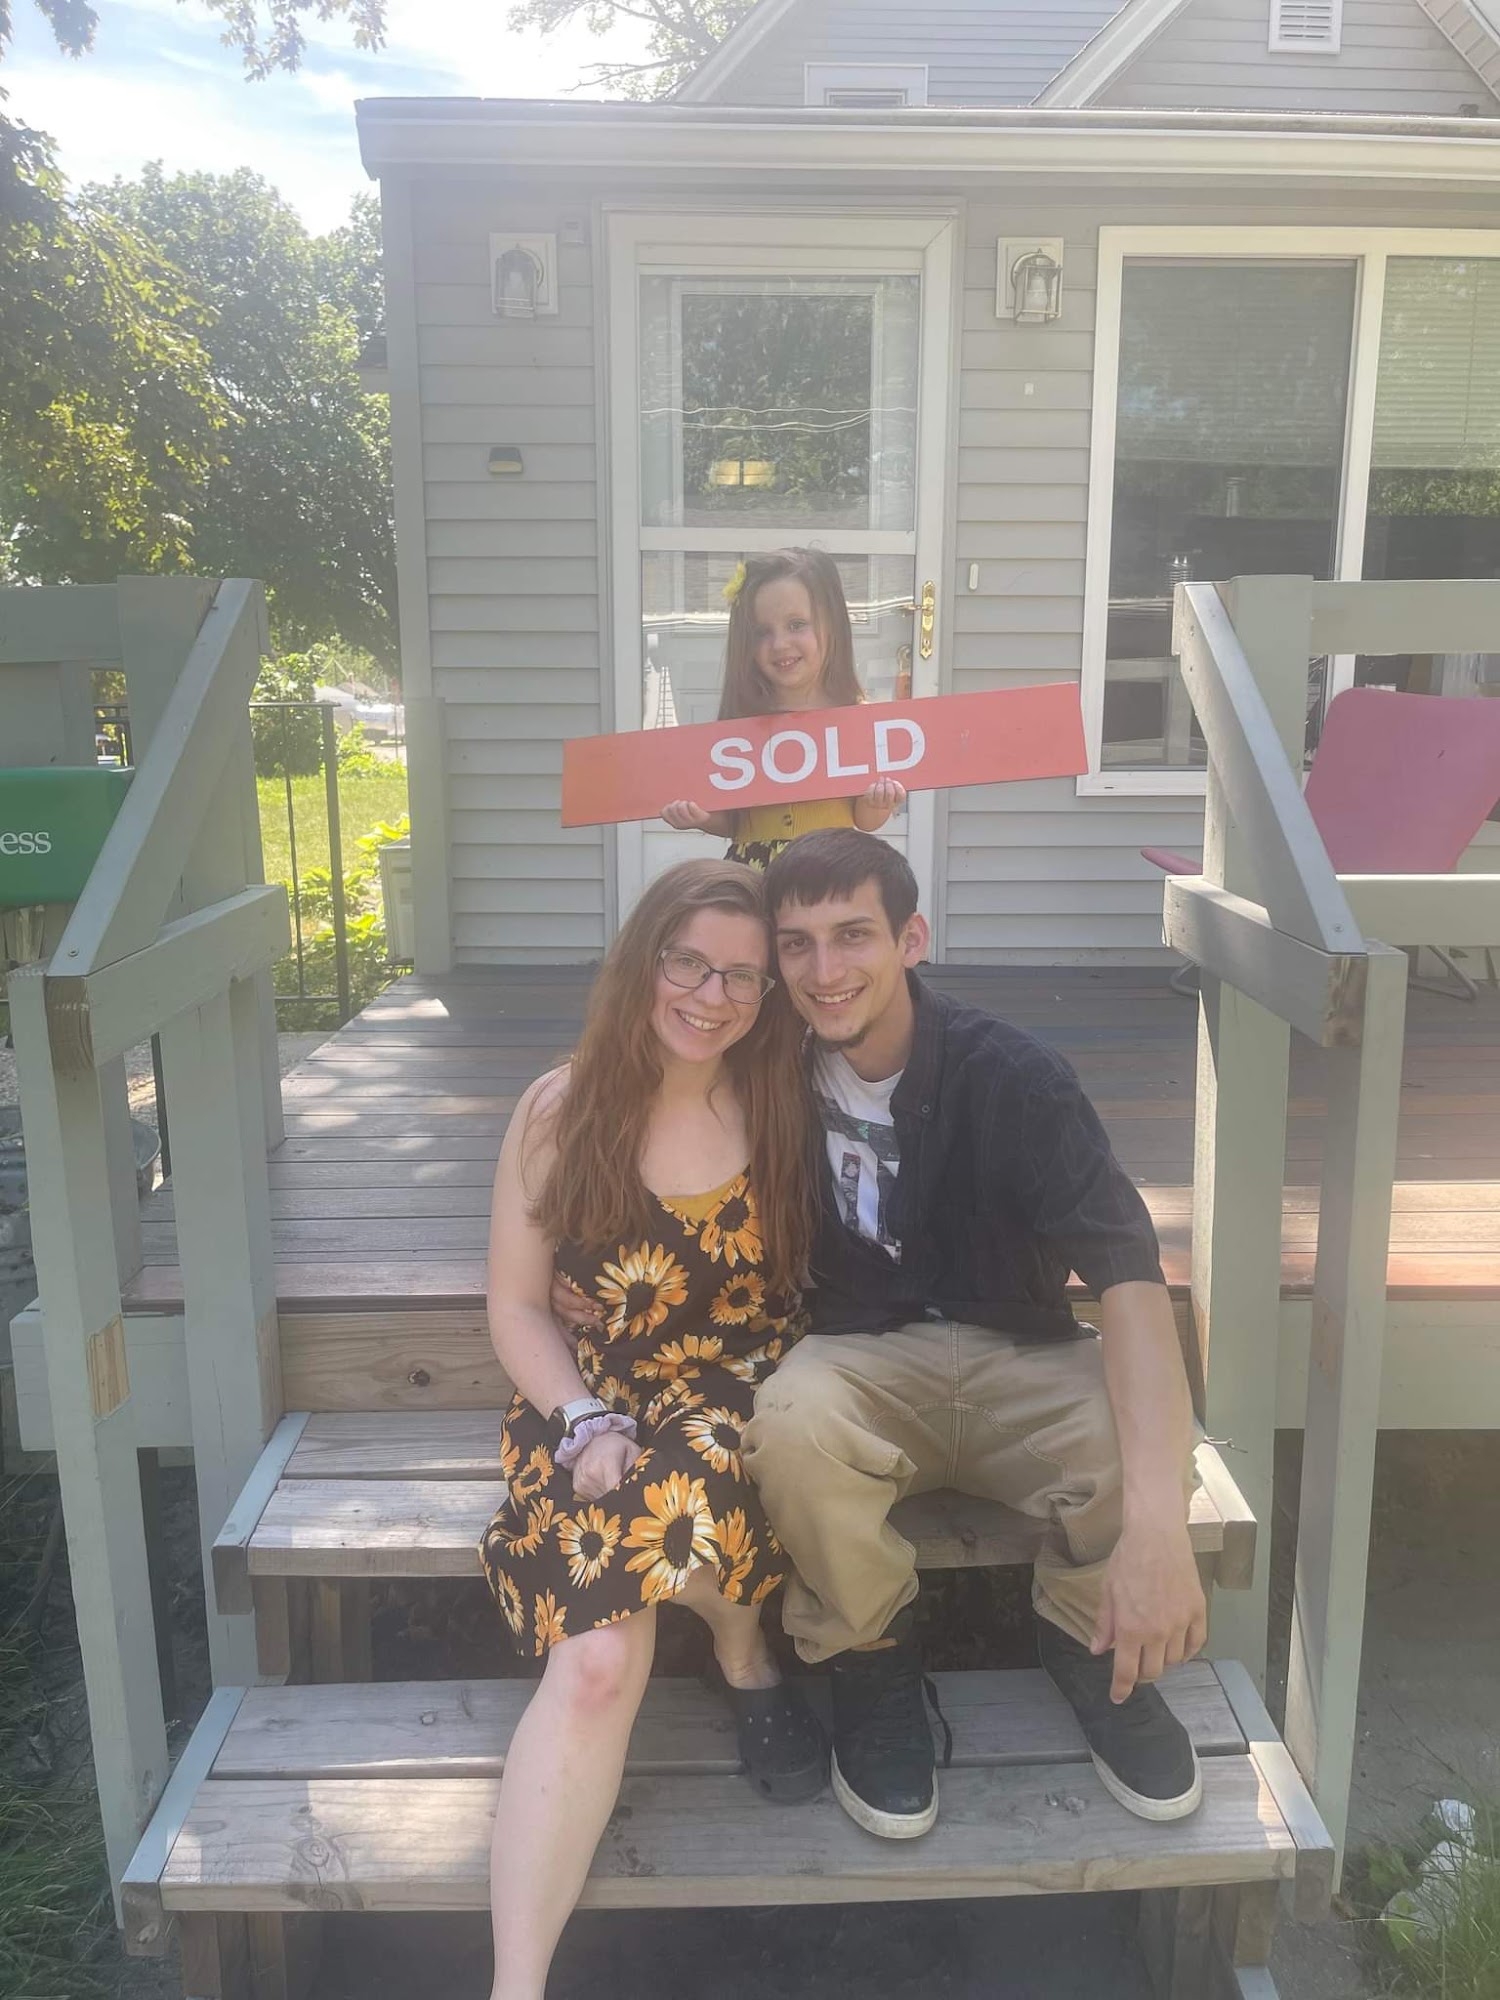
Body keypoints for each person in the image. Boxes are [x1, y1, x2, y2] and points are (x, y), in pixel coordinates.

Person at [740, 828, 1208, 1839]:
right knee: (789, 1422)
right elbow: (641, 1075)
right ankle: (870, 1658)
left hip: (1019, 1347)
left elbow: (1128, 1276)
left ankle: (1093, 1638)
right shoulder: (765, 1066)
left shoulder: (1016, 1077)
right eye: (797, 943)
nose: (824, 970)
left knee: (1139, 1436)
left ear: (911, 939)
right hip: (861, 1354)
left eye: (853, 934)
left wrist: (1162, 1531)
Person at [480, 859, 826, 2000]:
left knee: (692, 1479)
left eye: (741, 974)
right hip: (585, 1395)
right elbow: (516, 1305)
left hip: (738, 1391)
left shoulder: (785, 1098)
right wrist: (584, 1419)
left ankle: (740, 1643)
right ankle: (516, 1986)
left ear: (767, 993)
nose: (712, 995)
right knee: (593, 1663)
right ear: (642, 961)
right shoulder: (560, 1109)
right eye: (688, 962)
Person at [660, 546, 906, 871]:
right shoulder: (744, 723)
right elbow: (735, 821)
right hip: (753, 875)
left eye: (796, 624)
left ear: (831, 625)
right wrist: (701, 818)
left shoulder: (857, 720)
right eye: (762, 632)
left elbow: (865, 820)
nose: (779, 644)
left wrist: (878, 802)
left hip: (828, 873)